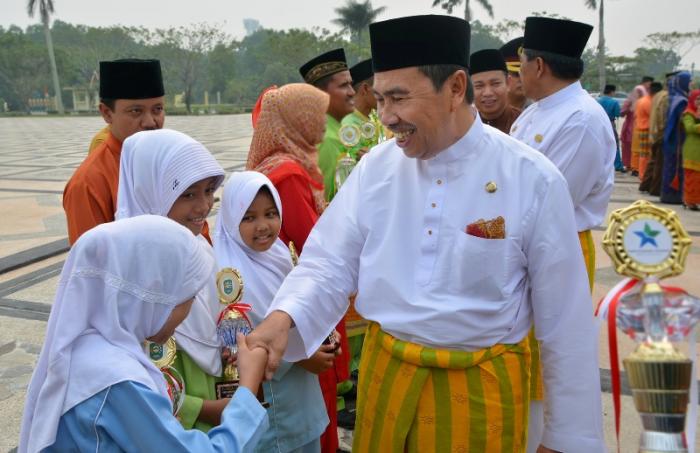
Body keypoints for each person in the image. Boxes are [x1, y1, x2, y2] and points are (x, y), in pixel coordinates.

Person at [248, 14, 604, 453]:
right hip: (387, 383)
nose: (386, 117)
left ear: (455, 88)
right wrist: (283, 318)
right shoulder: (376, 169)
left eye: (399, 98)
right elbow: (328, 263)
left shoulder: (532, 178)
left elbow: (565, 321)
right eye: (380, 99)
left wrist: (566, 439)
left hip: (479, 396)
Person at [18, 215, 269, 453]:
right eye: (189, 297)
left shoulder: (87, 351)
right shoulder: (114, 381)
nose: (189, 311)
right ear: (153, 297)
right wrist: (247, 388)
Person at [509, 16, 614, 451]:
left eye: (520, 64)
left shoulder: (581, 119)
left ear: (538, 66)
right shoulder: (537, 111)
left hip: (557, 247)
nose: (517, 73)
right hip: (519, 245)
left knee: (550, 351)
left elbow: (555, 200)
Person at [246, 83, 350, 453]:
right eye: (315, 115)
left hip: (292, 291)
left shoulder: (282, 162)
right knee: (315, 406)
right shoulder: (288, 172)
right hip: (303, 302)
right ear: (296, 120)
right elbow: (315, 241)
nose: (323, 123)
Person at [114, 128, 230, 431]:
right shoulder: (128, 272)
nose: (203, 206)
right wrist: (200, 409)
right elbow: (126, 375)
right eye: (188, 194)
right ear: (150, 192)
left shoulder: (199, 249)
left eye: (209, 191)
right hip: (169, 422)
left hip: (213, 402)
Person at [213, 171, 330, 452]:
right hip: (275, 404)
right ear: (231, 219)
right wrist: (304, 356)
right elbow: (239, 347)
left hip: (303, 399)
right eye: (249, 218)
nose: (263, 226)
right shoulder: (228, 275)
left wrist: (322, 337)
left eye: (270, 213)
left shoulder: (279, 254)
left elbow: (299, 309)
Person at [63, 59, 167, 245]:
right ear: (106, 113)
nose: (151, 122)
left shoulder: (172, 162)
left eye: (157, 109)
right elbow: (91, 258)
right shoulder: (88, 184)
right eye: (136, 111)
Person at [300, 49, 356, 201]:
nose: (352, 92)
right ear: (320, 93)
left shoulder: (337, 130)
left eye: (351, 84)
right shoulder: (326, 139)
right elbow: (327, 202)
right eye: (344, 85)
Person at [469, 49, 521, 133]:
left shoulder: (523, 123)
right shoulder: (464, 126)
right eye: (479, 86)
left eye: (495, 84)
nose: (487, 93)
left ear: (508, 83)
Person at [661, 71, 692, 204]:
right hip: (678, 141)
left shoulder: (673, 97)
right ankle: (674, 196)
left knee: (670, 167)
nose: (691, 84)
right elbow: (682, 123)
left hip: (671, 140)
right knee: (675, 169)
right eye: (689, 82)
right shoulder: (682, 101)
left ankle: (668, 195)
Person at [640, 81, 670, 195]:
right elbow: (662, 119)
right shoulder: (665, 97)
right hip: (660, 133)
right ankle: (654, 189)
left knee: (652, 161)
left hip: (652, 132)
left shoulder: (657, 96)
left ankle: (645, 185)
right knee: (658, 163)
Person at [633, 82, 660, 183]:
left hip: (641, 127)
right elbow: (653, 115)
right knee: (645, 154)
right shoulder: (648, 102)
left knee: (644, 153)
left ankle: (642, 173)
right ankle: (643, 174)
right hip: (646, 129)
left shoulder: (641, 100)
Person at [597, 84, 625, 172]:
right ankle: (617, 165)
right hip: (610, 123)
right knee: (614, 143)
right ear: (612, 92)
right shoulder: (614, 102)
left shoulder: (598, 101)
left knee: (600, 142)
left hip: (599, 123)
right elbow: (618, 114)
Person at [342, 58, 376, 131]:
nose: (384, 93)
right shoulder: (349, 126)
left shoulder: (373, 118)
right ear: (365, 89)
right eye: (379, 87)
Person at [621, 85, 647, 175]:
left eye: (640, 92)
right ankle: (629, 166)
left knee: (640, 149)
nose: (638, 94)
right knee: (628, 148)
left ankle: (639, 168)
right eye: (637, 92)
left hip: (640, 128)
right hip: (629, 127)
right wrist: (627, 107)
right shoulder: (629, 101)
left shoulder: (645, 102)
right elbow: (621, 113)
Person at [499, 37, 531, 111]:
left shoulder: (541, 109)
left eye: (525, 73)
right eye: (516, 74)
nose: (522, 78)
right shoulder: (488, 110)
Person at [681, 89, 700, 210]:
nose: (699, 102)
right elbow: (689, 128)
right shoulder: (688, 113)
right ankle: (689, 201)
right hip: (692, 150)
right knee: (692, 178)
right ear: (692, 100)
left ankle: (695, 201)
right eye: (698, 99)